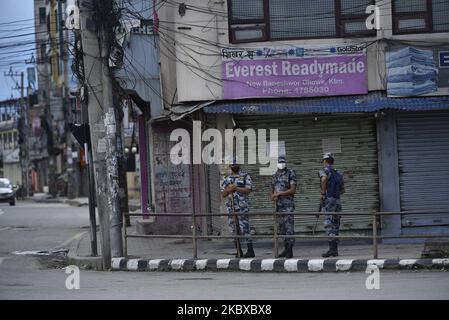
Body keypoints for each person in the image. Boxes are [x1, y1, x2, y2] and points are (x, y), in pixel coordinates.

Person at [221, 159, 254, 258]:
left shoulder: (245, 176)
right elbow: (223, 194)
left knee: (245, 229)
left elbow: (248, 190)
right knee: (234, 230)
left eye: (236, 165)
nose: (234, 166)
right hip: (231, 209)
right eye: (233, 165)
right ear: (230, 166)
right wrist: (228, 189)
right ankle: (239, 251)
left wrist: (236, 188)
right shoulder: (227, 179)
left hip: (242, 207)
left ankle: (250, 250)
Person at [270, 155, 297, 258]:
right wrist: (273, 196)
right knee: (282, 229)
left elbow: (293, 189)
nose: (281, 164)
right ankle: (286, 249)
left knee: (289, 228)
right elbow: (271, 190)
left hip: (288, 205)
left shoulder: (291, 173)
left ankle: (290, 250)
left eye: (282, 162)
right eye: (279, 162)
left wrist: (279, 194)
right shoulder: (274, 176)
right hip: (278, 206)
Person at [319, 153, 345, 258]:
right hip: (337, 200)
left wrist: (323, 193)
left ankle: (331, 249)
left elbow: (324, 179)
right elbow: (343, 190)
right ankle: (335, 250)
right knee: (336, 224)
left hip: (329, 200)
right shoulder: (338, 173)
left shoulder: (324, 170)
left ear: (325, 161)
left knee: (329, 223)